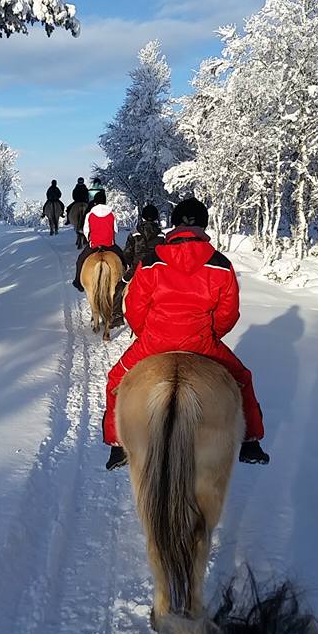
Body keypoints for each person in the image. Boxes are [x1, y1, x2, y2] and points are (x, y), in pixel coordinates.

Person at [103, 197, 270, 470]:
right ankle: (251, 442)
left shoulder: (151, 261)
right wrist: (209, 335)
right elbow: (229, 313)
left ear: (173, 225)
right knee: (243, 378)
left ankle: (117, 445)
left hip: (153, 343)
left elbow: (134, 309)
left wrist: (148, 333)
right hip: (202, 344)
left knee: (114, 380)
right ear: (203, 225)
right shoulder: (221, 264)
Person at [111, 204, 165, 328]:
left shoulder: (135, 234)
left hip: (137, 269)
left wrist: (130, 264)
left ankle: (117, 315)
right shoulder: (161, 236)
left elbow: (127, 253)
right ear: (156, 218)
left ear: (143, 217)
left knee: (120, 287)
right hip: (156, 271)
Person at [72, 196, 126, 291]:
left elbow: (86, 230)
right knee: (123, 259)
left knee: (80, 260)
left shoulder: (90, 214)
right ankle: (125, 280)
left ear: (95, 202)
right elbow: (116, 230)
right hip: (110, 245)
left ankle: (78, 282)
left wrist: (90, 238)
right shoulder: (111, 214)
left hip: (94, 245)